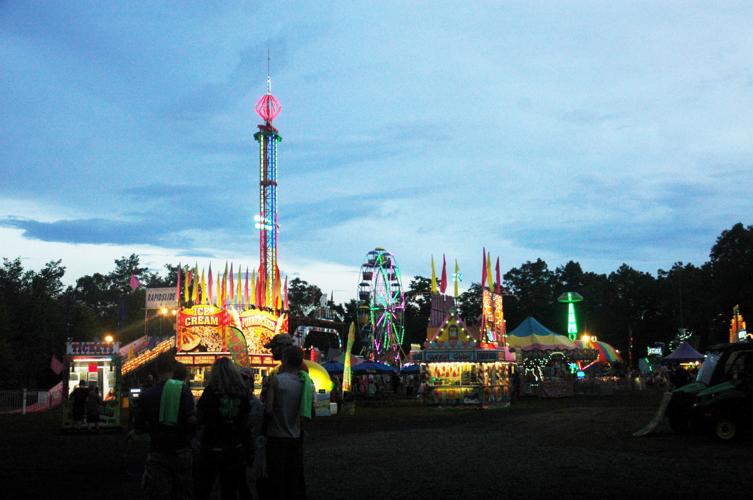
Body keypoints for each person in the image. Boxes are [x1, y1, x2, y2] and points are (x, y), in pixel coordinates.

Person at [137, 355, 196, 500]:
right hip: (181, 449)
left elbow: (139, 425)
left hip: (157, 450)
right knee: (182, 493)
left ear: (156, 371)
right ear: (173, 369)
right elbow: (191, 419)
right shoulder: (182, 390)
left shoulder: (146, 395)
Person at [259, 345, 313, 500]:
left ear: (285, 359)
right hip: (295, 437)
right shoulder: (305, 383)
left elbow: (268, 410)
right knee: (292, 478)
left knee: (276, 479)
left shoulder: (276, 381)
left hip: (276, 436)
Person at [195, 357, 251, 500]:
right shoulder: (242, 392)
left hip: (212, 445)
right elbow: (246, 420)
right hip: (234, 446)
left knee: (204, 487)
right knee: (229, 488)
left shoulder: (210, 391)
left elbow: (200, 417)